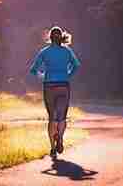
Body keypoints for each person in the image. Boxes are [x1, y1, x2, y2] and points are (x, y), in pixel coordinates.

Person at [29, 26, 81, 159]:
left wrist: (42, 76)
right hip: (63, 85)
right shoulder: (67, 51)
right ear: (61, 37)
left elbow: (33, 69)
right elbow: (77, 65)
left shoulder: (44, 52)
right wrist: (68, 74)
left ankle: (52, 148)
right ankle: (61, 138)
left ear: (50, 37)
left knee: (52, 117)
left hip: (49, 86)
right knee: (62, 116)